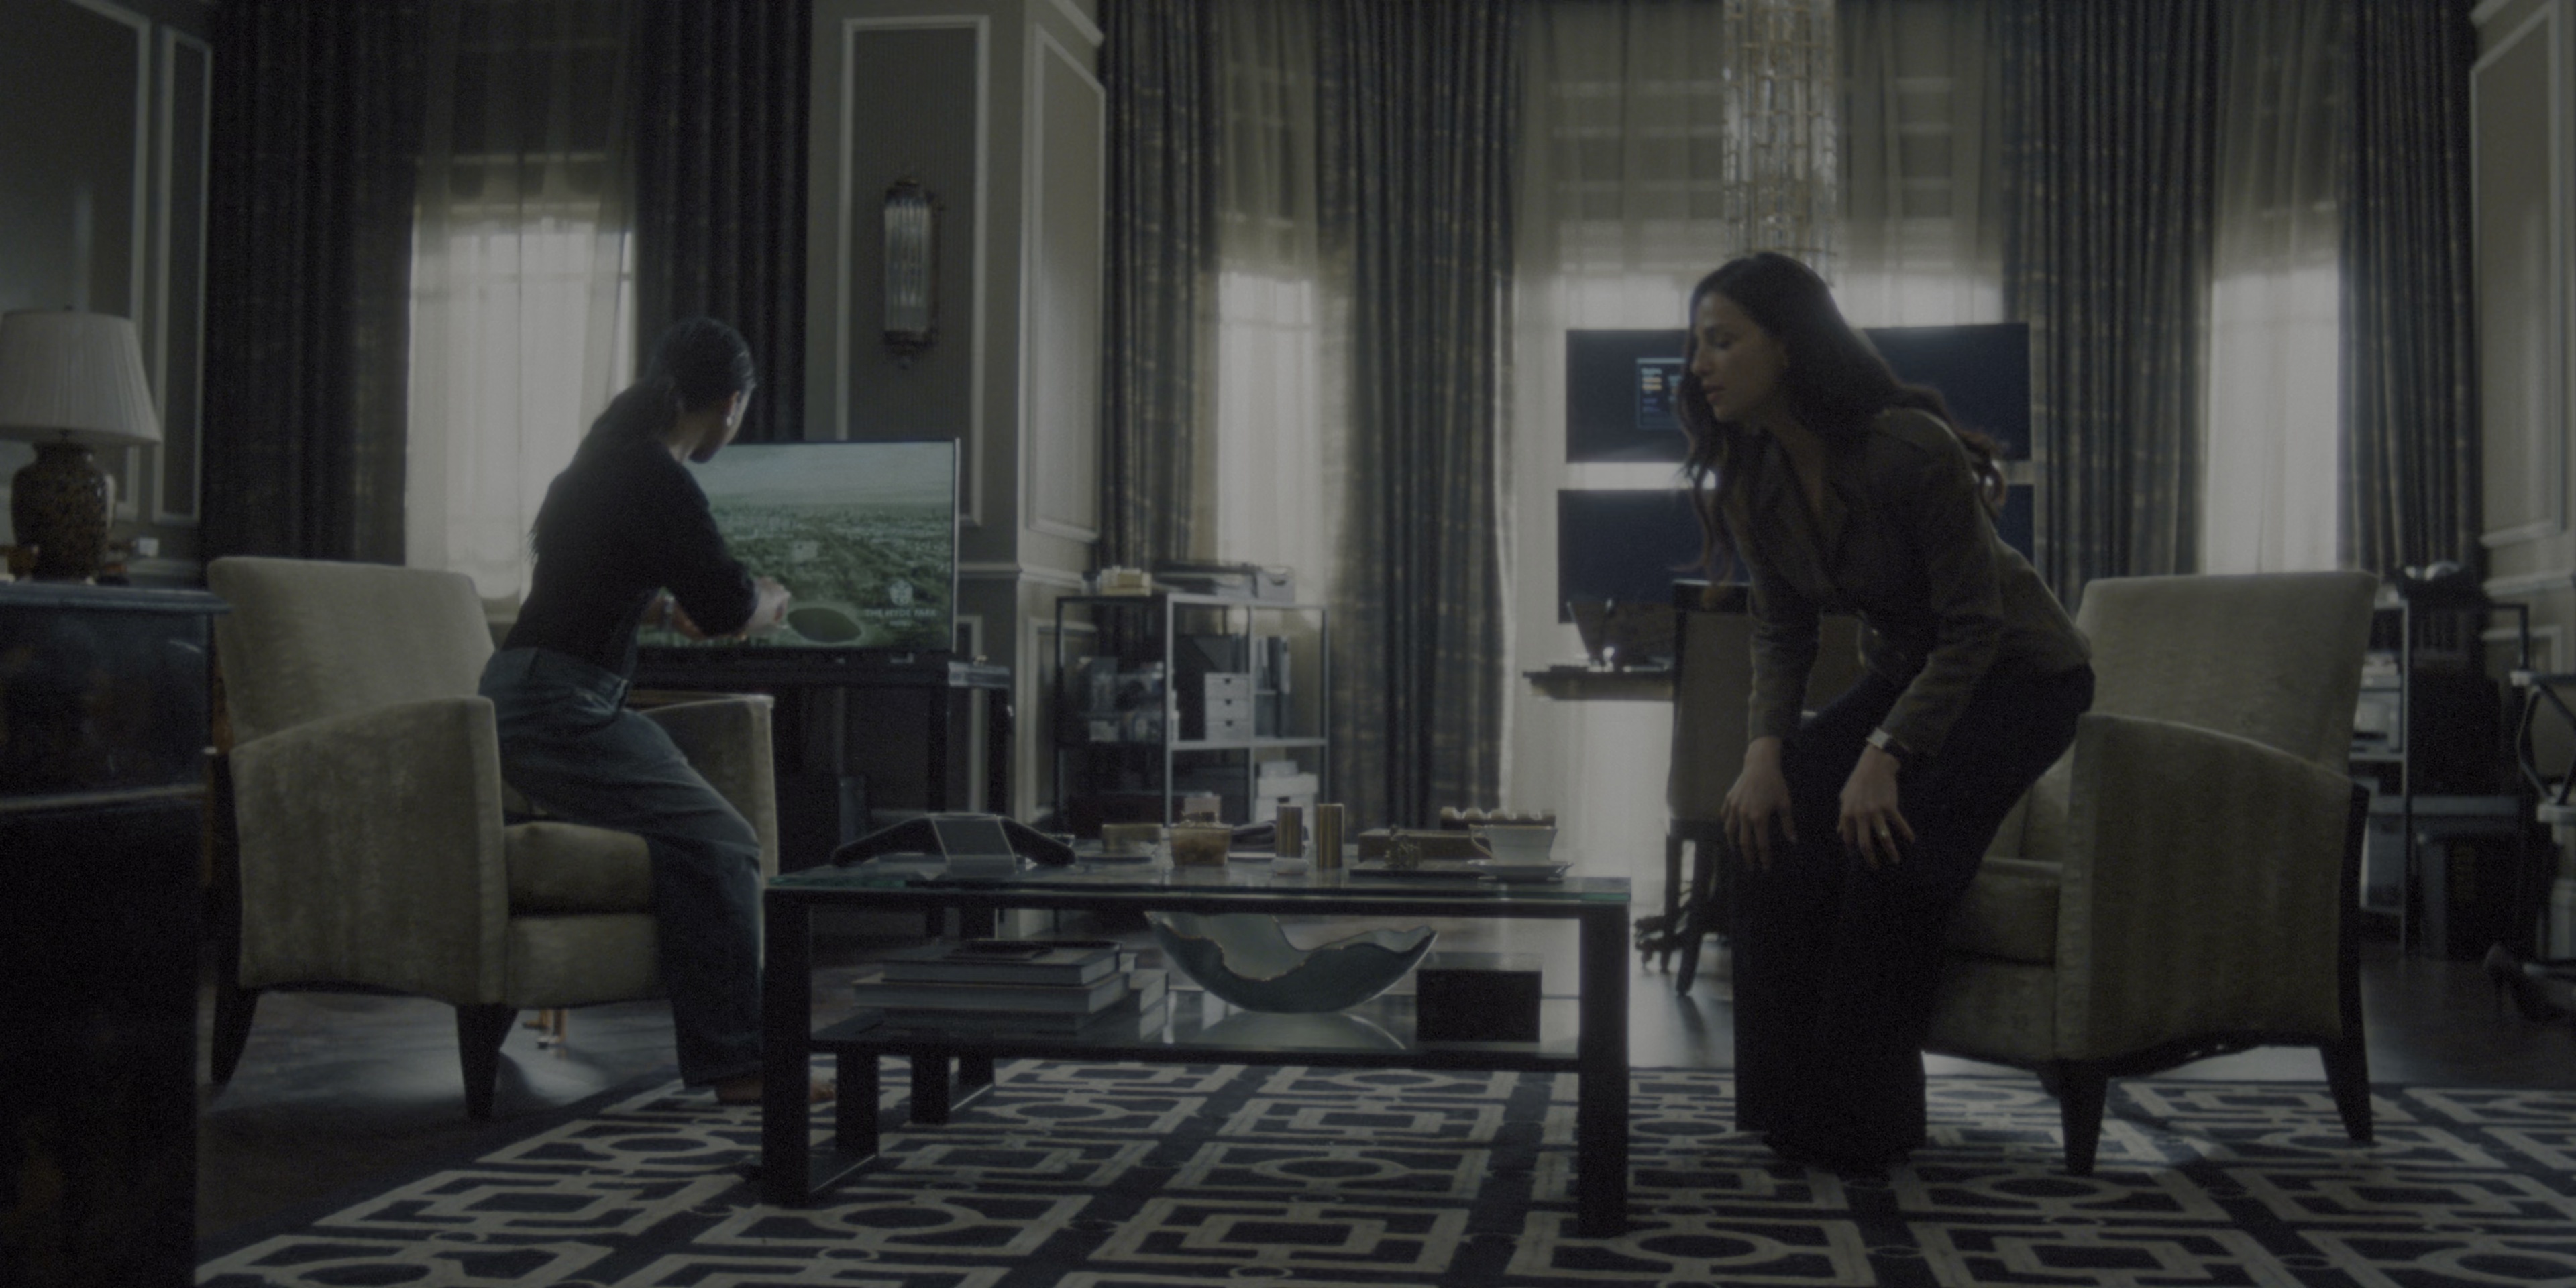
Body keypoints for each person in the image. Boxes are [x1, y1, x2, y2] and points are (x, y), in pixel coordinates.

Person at [1674, 252, 2092, 1169]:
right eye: (1696, 344)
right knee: (1770, 823)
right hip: (1914, 672)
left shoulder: (1907, 449)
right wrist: (1763, 755)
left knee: (1886, 848)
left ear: (1787, 346)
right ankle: (1786, 1109)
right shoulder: (1754, 477)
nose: (1699, 365)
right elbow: (1781, 632)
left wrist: (1886, 753)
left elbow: (1975, 628)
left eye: (1721, 341)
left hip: (2022, 677)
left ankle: (1865, 1128)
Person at [477, 316, 823, 1105]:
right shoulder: (660, 476)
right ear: (731, 404)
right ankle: (740, 1067)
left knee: (693, 835)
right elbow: (730, 603)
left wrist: (663, 611)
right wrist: (768, 605)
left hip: (528, 691)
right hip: (556, 704)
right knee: (726, 841)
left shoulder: (604, 461)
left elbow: (590, 580)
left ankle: (732, 1054)